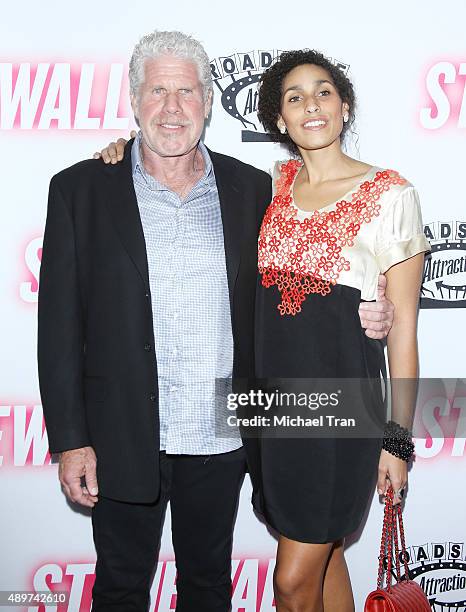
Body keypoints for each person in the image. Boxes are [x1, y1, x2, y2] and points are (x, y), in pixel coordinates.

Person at [39, 31, 393, 612]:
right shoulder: (81, 190)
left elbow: (313, 275)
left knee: (207, 588)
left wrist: (373, 312)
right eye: (157, 91)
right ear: (134, 101)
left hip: (222, 437)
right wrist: (71, 441)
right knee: (120, 588)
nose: (171, 108)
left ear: (207, 102)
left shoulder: (255, 190)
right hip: (121, 436)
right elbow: (57, 329)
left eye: (186, 91)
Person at [246, 50, 430, 611]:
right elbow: (184, 165)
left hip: (341, 413)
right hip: (270, 410)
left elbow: (402, 334)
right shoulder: (270, 187)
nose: (311, 106)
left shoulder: (390, 195)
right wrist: (119, 152)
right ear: (280, 120)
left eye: (323, 91)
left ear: (344, 106)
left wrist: (398, 439)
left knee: (290, 581)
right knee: (324, 558)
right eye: (294, 97)